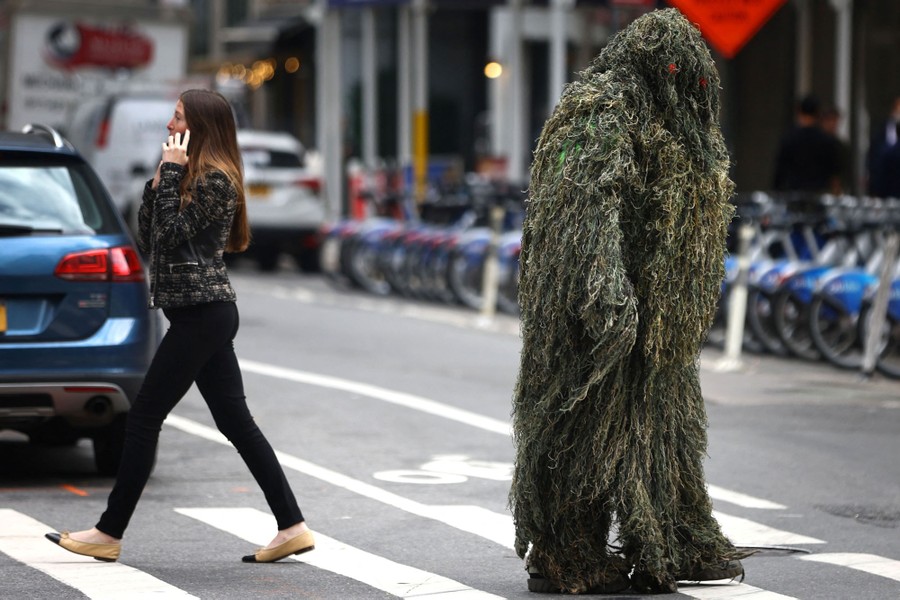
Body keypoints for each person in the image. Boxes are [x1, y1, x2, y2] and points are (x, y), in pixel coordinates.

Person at [509, 9, 748, 594]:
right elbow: (581, 208)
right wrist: (606, 297)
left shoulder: (678, 123)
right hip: (601, 324)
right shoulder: (601, 110)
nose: (687, 85)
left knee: (665, 436)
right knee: (584, 440)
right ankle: (568, 553)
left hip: (662, 329)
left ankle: (675, 538)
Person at [45, 89, 314, 564]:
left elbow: (171, 235)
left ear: (200, 126)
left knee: (144, 417)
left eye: (177, 118)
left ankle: (108, 533)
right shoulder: (190, 175)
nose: (169, 127)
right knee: (236, 423)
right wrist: (158, 181)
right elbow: (150, 237)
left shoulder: (217, 181)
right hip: (197, 312)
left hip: (202, 314)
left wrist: (169, 174)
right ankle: (292, 526)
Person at [772, 94, 842, 195]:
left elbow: (779, 172)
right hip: (818, 196)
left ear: (799, 111)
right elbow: (834, 175)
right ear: (818, 113)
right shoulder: (826, 140)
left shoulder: (789, 138)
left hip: (793, 195)